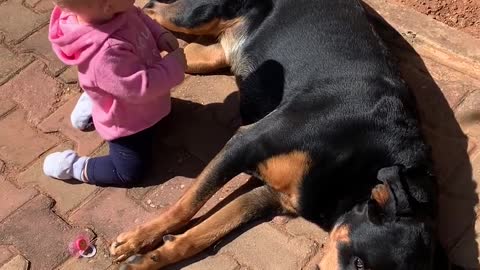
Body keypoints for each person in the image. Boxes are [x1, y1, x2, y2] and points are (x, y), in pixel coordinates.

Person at [43, 0, 186, 186]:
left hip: (129, 92)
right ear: (107, 6)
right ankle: (75, 167)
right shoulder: (106, 54)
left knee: (167, 119)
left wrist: (160, 34)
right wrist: (174, 66)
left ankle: (97, 96)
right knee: (130, 172)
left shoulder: (116, 10)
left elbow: (138, 16)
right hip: (126, 122)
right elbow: (140, 88)